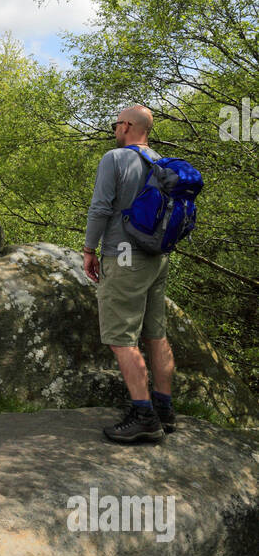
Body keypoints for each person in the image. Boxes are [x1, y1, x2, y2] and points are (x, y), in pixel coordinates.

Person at [82, 105, 176, 443]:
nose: (114, 130)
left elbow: (101, 207)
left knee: (121, 338)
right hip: (157, 257)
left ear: (126, 126)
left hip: (124, 258)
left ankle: (144, 416)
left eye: (115, 124)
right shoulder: (161, 161)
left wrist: (89, 249)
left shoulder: (115, 158)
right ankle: (164, 409)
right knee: (156, 333)